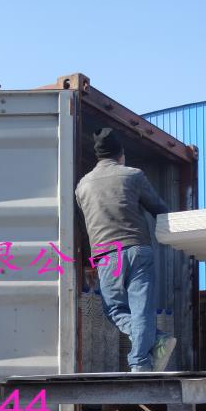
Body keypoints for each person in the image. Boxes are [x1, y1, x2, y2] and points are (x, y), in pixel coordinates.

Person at [75, 127, 176, 372]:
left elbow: (83, 227)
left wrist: (88, 264)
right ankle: (145, 356)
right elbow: (159, 209)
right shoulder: (133, 175)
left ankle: (148, 350)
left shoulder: (82, 186)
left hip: (106, 254)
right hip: (138, 249)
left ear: (98, 156)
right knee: (141, 309)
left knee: (114, 309)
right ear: (120, 154)